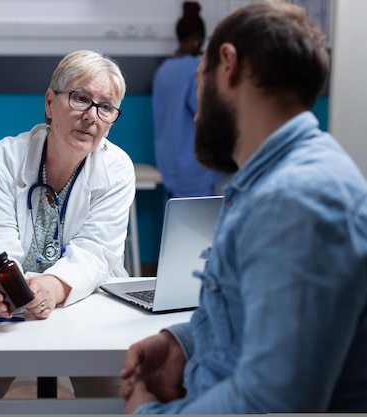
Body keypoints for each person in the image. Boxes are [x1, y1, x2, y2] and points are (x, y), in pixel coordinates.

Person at [121, 2, 367, 413]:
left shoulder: (295, 202)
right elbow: (265, 322)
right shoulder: (272, 184)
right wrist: (185, 341)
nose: (197, 115)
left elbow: (269, 404)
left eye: (200, 84)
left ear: (228, 64)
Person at [0, 49, 135, 399]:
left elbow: (96, 252)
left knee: (116, 392)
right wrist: (1, 286)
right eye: (80, 98)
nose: (91, 116)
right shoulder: (3, 158)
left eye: (105, 107)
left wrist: (53, 286)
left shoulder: (117, 168)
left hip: (85, 297)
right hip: (10, 307)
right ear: (50, 102)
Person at [152, 1, 223, 199]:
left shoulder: (163, 70)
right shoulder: (195, 70)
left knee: (174, 223)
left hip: (168, 165)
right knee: (199, 226)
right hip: (193, 167)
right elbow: (206, 114)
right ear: (197, 39)